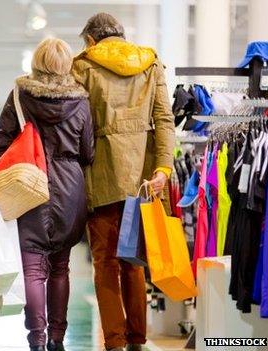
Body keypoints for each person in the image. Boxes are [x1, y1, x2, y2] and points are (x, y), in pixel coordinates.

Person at [71, 13, 175, 351]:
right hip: (143, 177)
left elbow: (76, 125)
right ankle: (137, 341)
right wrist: (162, 168)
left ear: (91, 40)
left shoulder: (83, 66)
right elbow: (164, 119)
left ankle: (114, 342)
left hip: (100, 174)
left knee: (105, 262)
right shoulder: (150, 64)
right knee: (134, 260)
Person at [0, 38, 94, 351]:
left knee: (33, 269)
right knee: (61, 267)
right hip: (71, 190)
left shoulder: (21, 95)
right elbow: (88, 150)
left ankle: (37, 340)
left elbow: (1, 141)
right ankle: (58, 340)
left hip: (29, 187)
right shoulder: (82, 101)